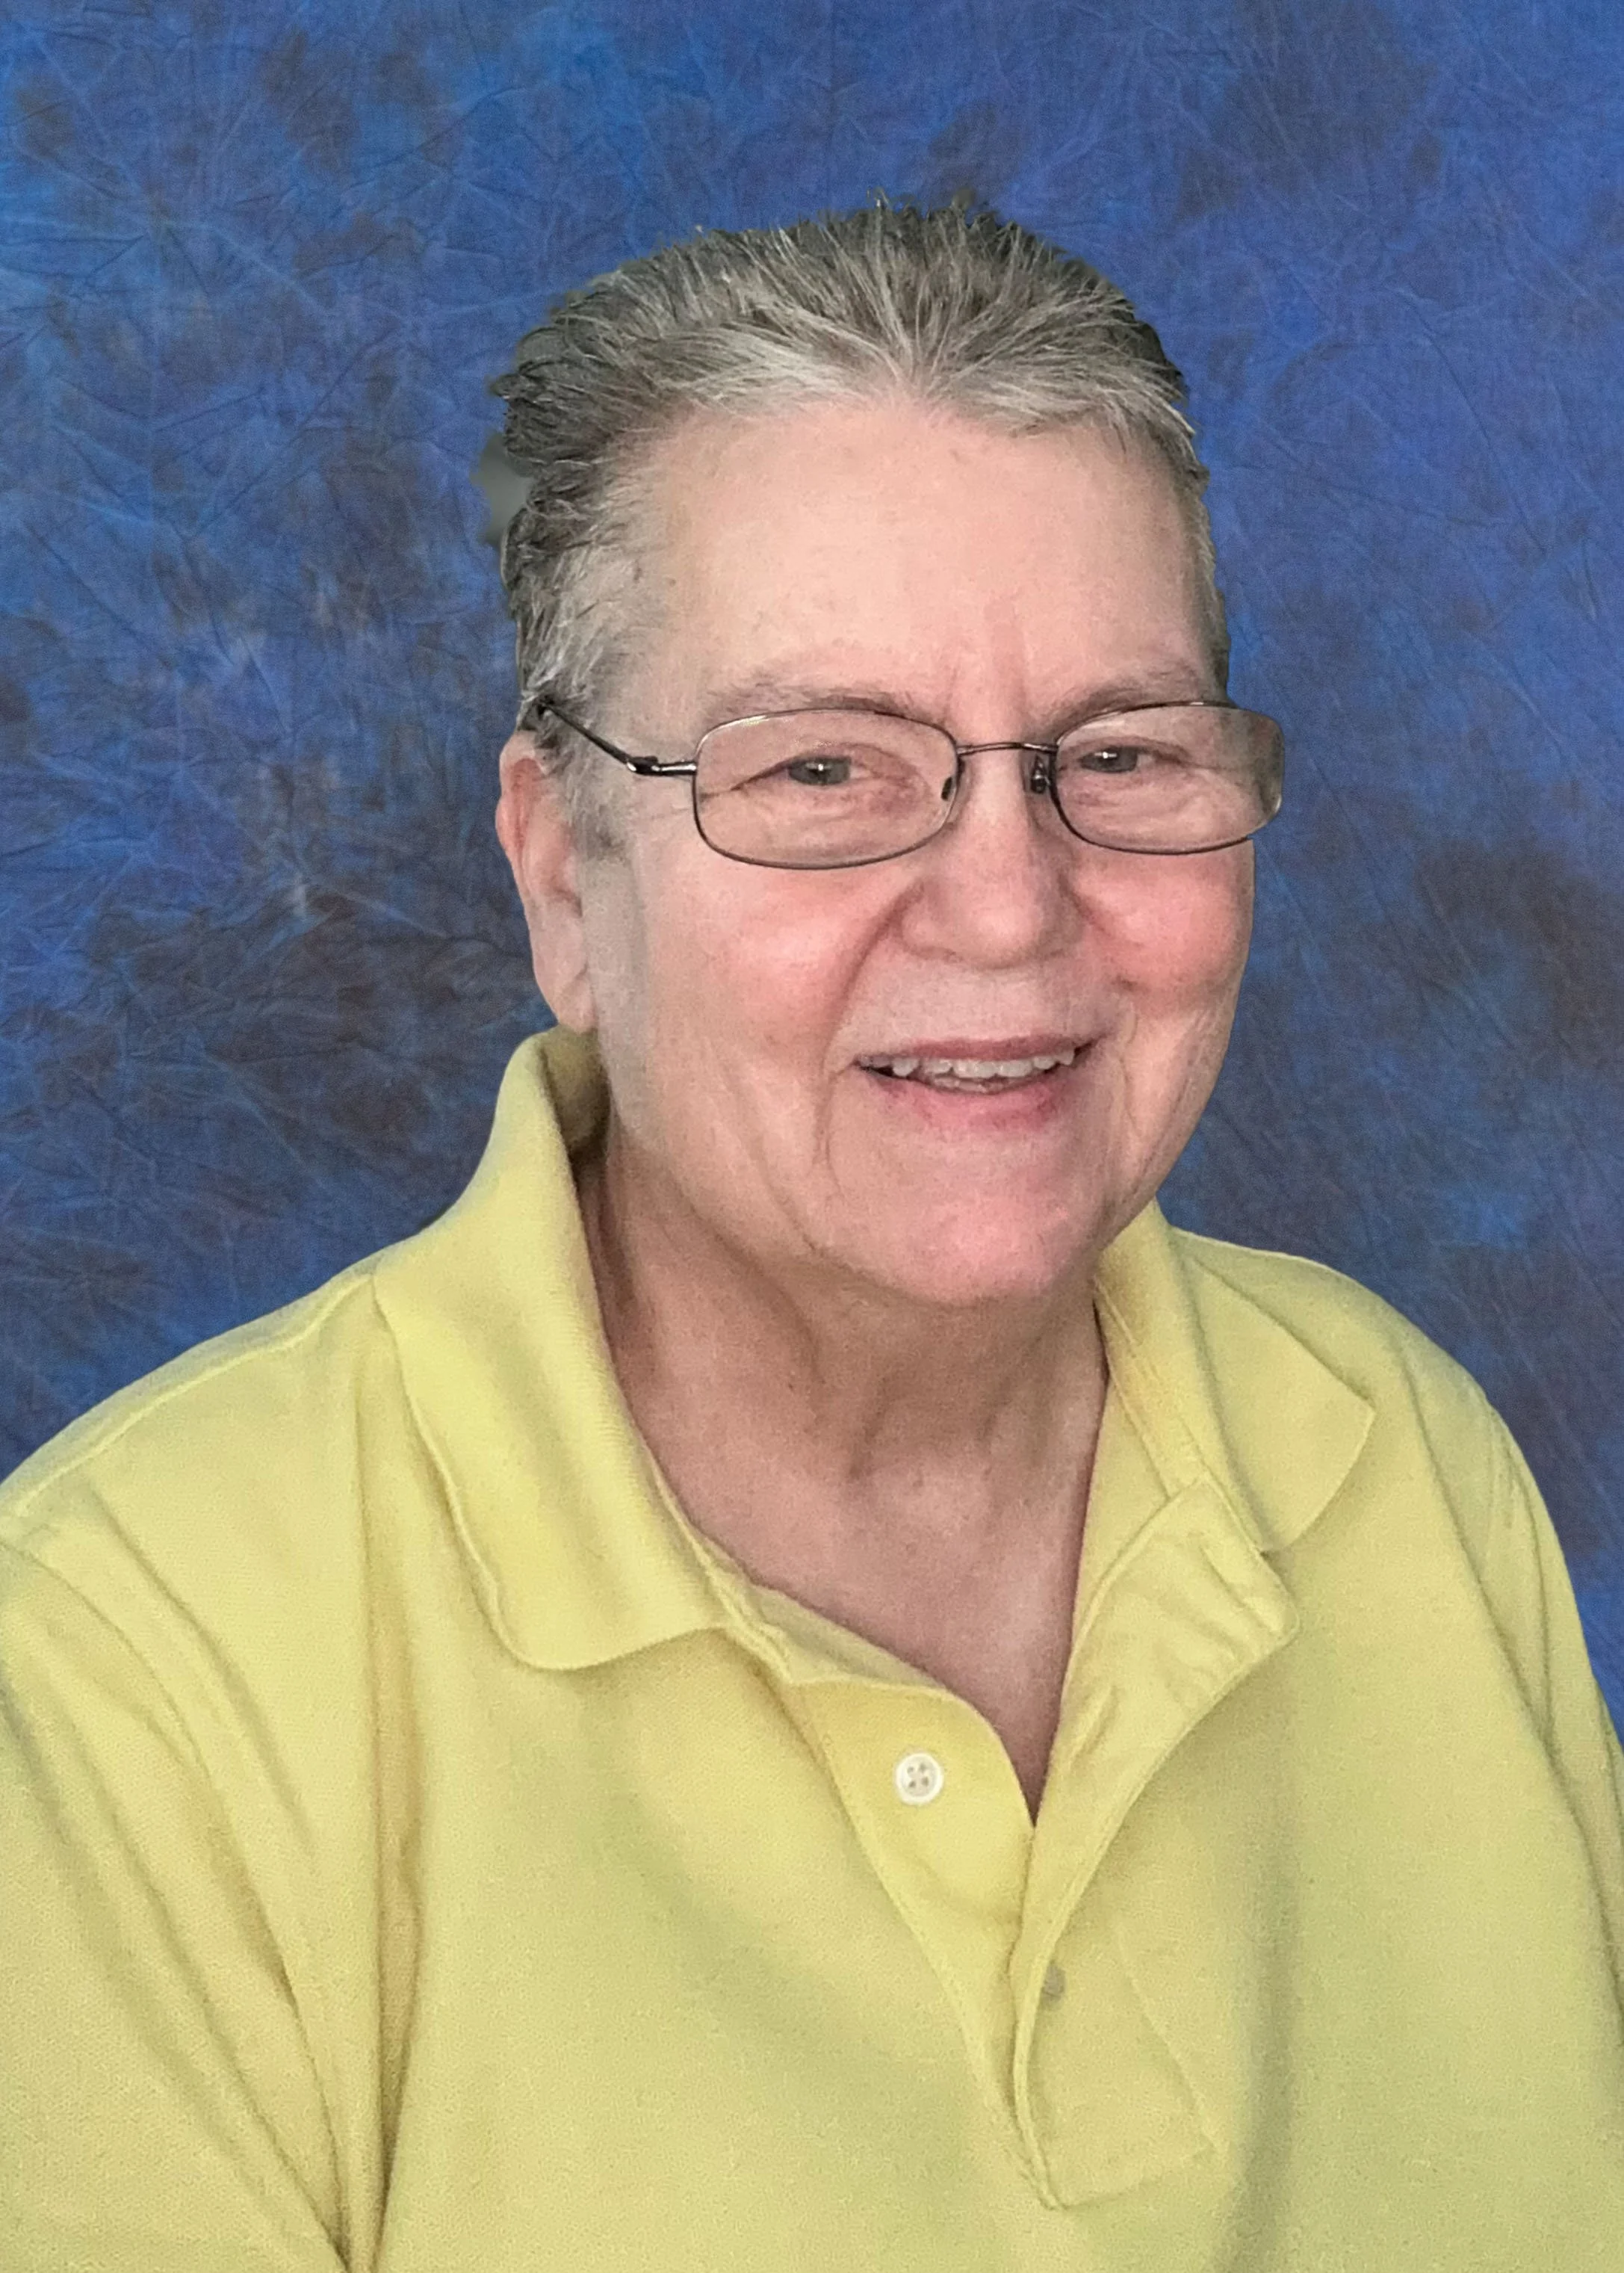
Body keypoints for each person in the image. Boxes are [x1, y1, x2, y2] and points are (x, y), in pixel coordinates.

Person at [2, 202, 1621, 2272]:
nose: (1006, 908)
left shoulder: (1400, 1457)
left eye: (1116, 754)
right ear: (562, 882)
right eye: (826, 769)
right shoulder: (126, 1682)